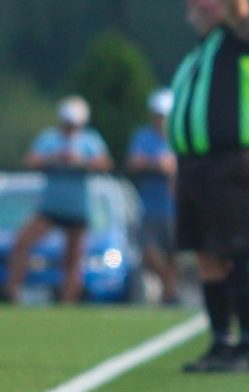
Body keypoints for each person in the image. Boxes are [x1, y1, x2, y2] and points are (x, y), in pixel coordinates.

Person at [171, 0, 249, 374]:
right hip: (198, 167)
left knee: (238, 253)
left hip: (236, 162)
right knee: (209, 257)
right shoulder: (204, 50)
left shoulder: (242, 38)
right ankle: (222, 343)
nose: (193, 3)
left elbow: (240, 8)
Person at [3, 96, 113, 303]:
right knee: (21, 243)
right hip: (51, 207)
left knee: (73, 257)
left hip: (77, 208)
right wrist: (55, 158)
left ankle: (68, 302)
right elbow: (31, 160)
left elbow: (104, 164)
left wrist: (80, 161)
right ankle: (13, 291)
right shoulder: (50, 139)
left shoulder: (90, 140)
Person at [126, 88, 179, 305]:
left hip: (176, 207)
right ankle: (170, 288)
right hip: (151, 208)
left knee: (175, 255)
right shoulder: (143, 137)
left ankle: (170, 295)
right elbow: (134, 162)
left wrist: (163, 165)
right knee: (149, 251)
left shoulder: (179, 137)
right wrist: (157, 164)